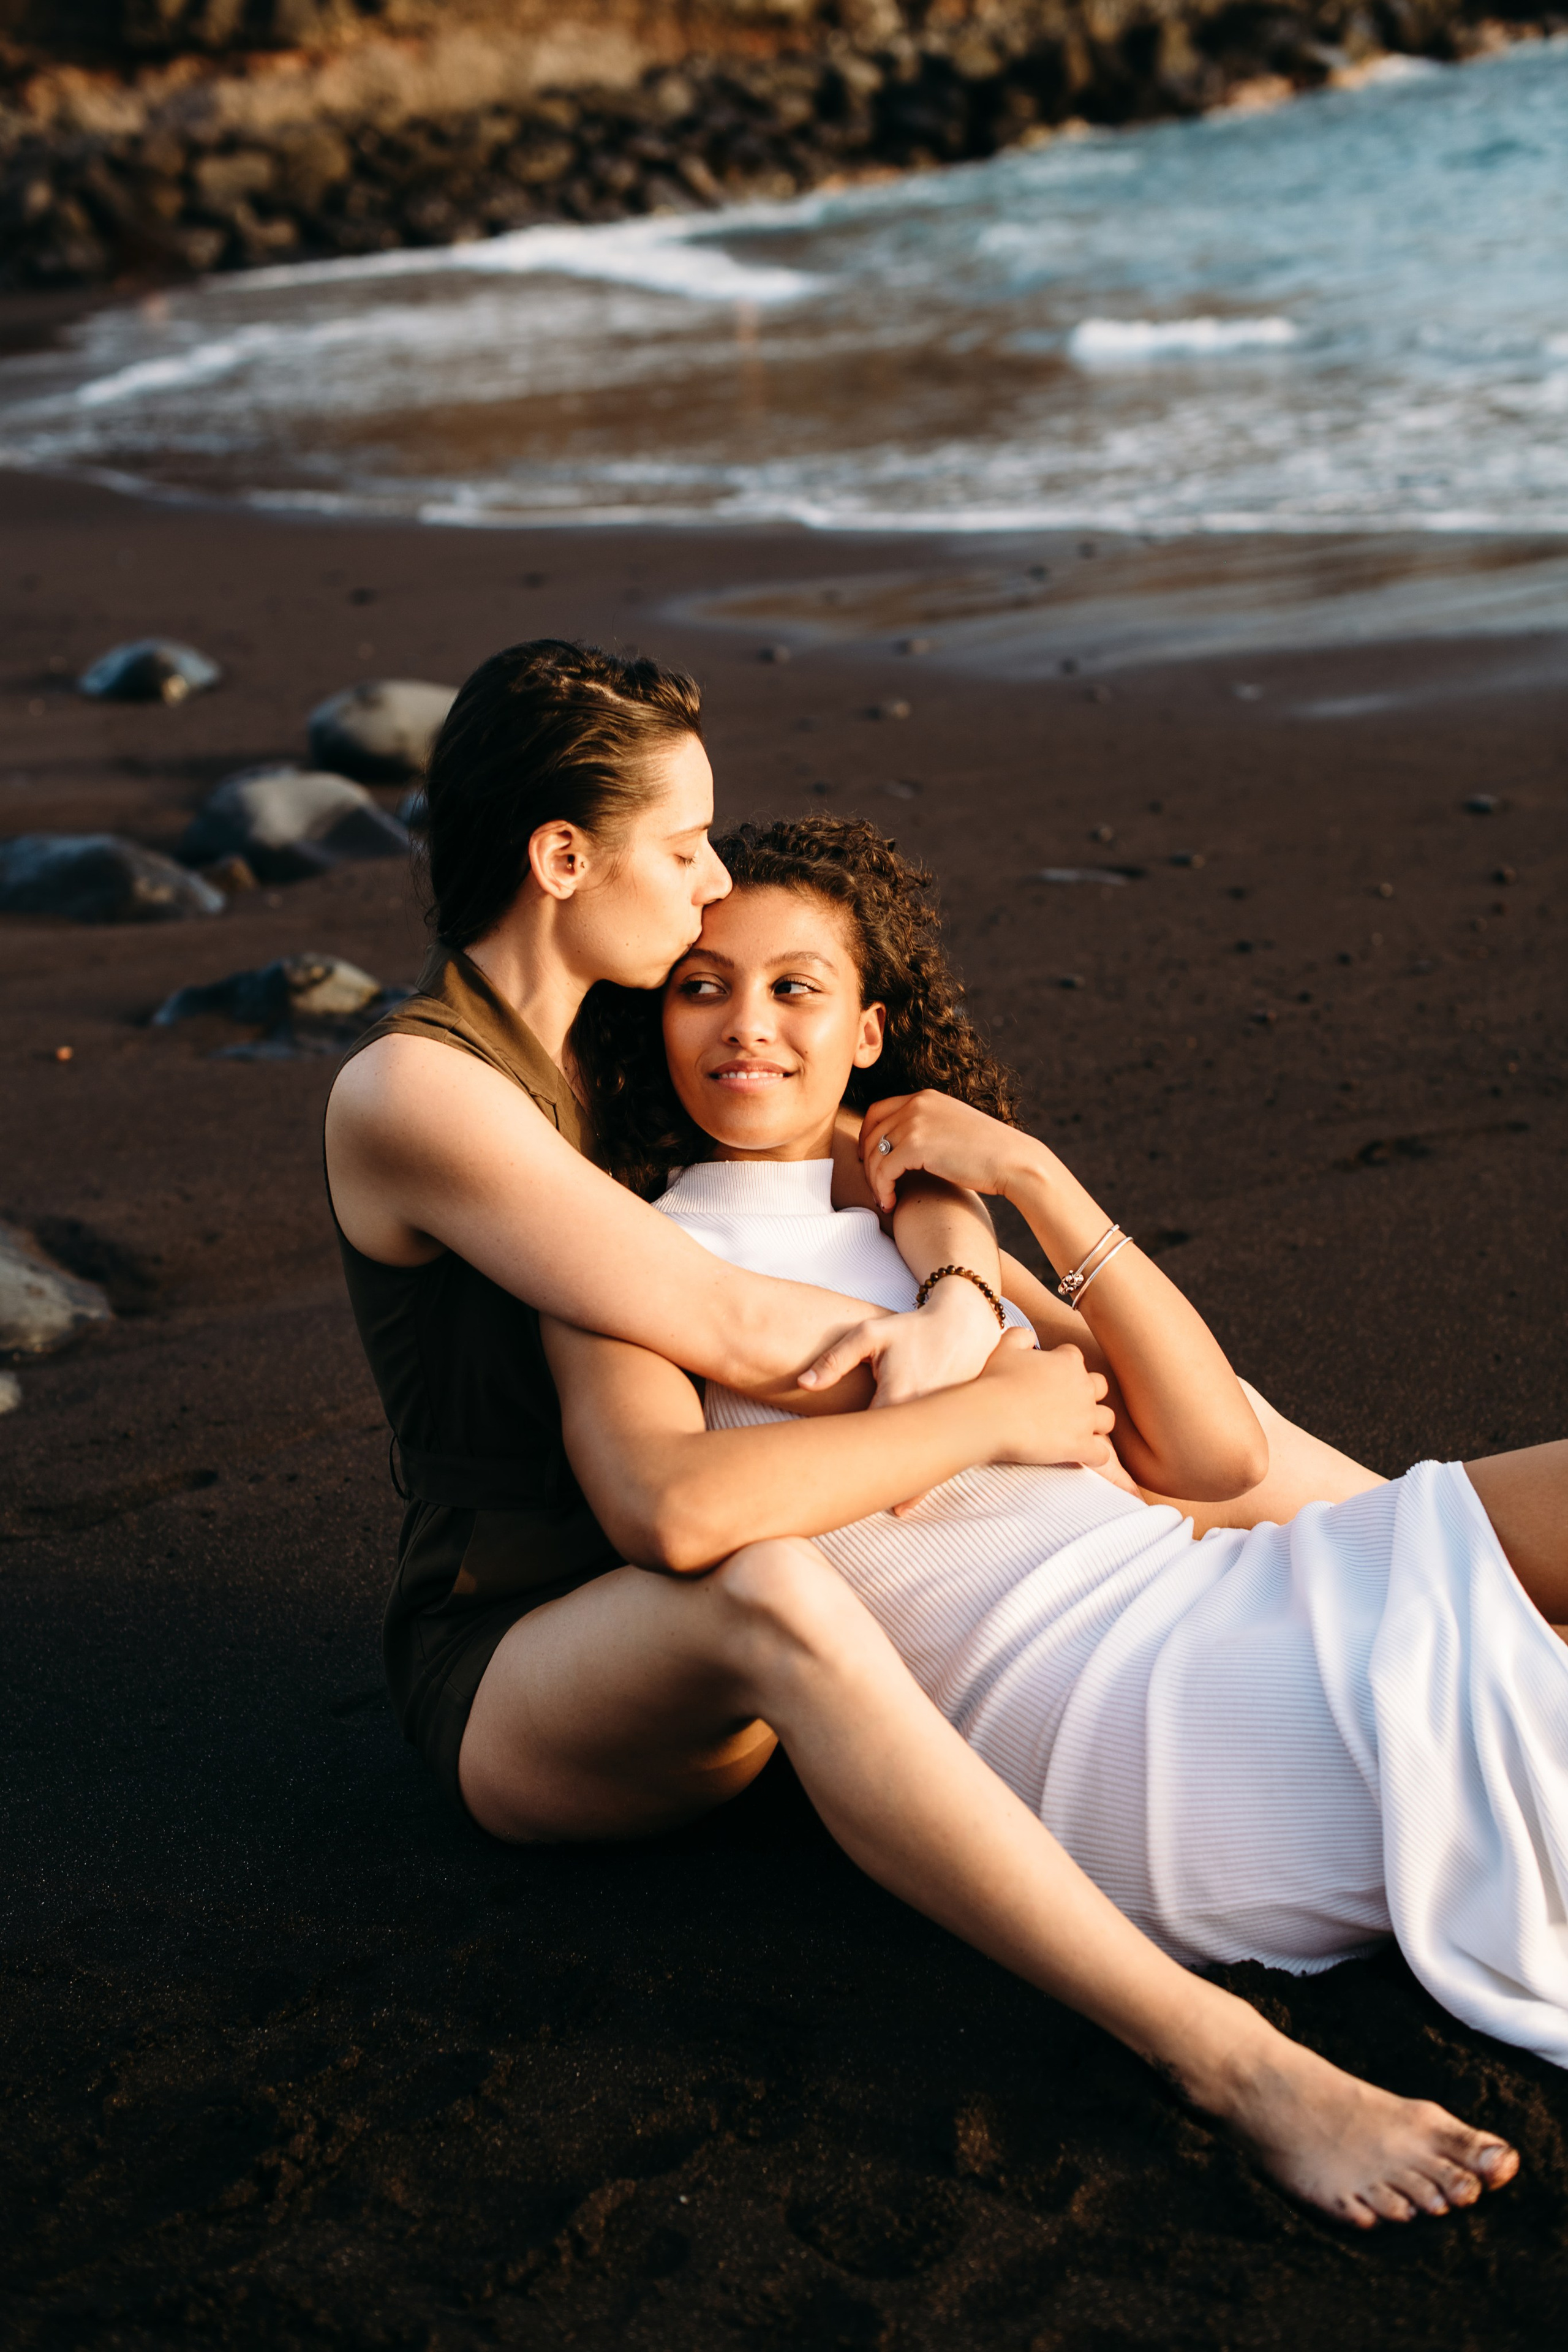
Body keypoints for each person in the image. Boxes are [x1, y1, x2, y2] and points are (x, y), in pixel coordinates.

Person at [326, 641, 1522, 2231]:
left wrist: (962, 1252)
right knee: (769, 1591)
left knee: (1259, 1461)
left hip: (721, 1577)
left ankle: (1479, 1629)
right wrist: (981, 1367)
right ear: (564, 858)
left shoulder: (588, 1084)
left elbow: (851, 1295)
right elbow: (740, 1330)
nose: (704, 890)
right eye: (682, 849)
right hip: (519, 1649)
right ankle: (1230, 2062)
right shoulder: (421, 1089)